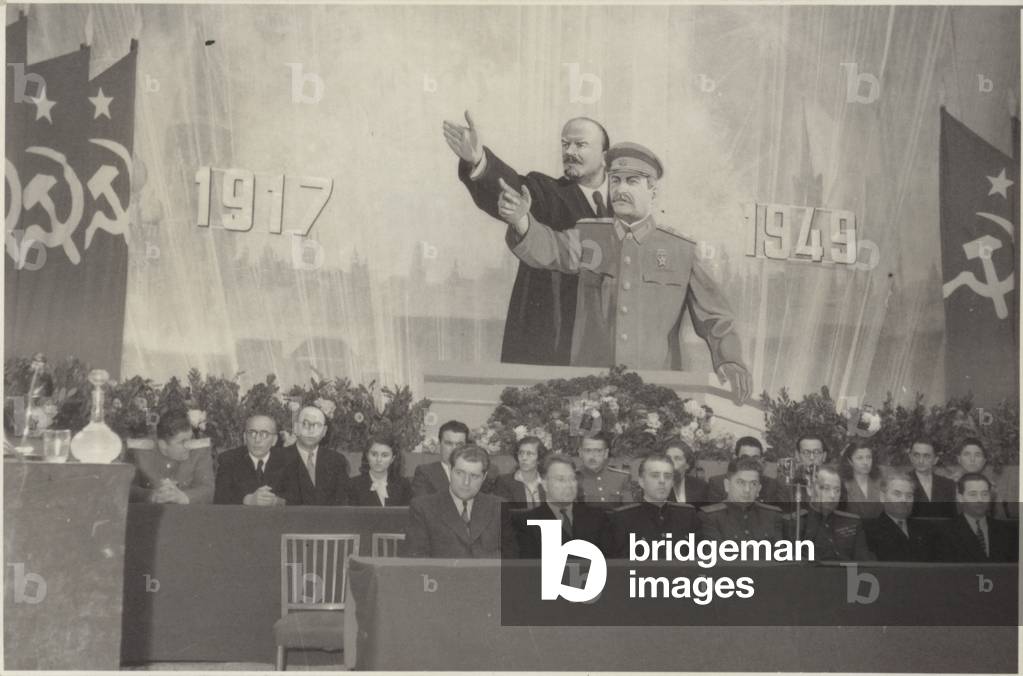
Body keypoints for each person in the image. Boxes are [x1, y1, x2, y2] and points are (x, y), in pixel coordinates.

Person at [496, 142, 751, 403]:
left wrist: (729, 359)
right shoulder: (589, 236)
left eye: (632, 181)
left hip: (655, 395)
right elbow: (550, 248)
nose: (620, 189)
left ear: (653, 191)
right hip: (589, 392)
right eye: (615, 180)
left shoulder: (681, 250)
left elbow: (716, 318)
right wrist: (521, 221)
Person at [444, 112, 611, 365]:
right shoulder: (545, 191)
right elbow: (511, 188)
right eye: (565, 144)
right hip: (551, 330)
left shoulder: (624, 204)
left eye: (580, 144)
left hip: (604, 341)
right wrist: (479, 160)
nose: (570, 151)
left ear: (604, 155)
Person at [404, 444, 517, 558]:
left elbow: (512, 556)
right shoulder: (423, 507)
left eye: (474, 476)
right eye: (460, 473)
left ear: (484, 477)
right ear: (450, 470)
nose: (466, 482)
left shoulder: (499, 507)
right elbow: (416, 559)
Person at [515, 455, 610, 559]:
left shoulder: (597, 517)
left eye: (572, 479)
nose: (569, 485)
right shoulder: (527, 523)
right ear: (544, 484)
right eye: (561, 480)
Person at [607, 453, 699, 558]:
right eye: (655, 475)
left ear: (673, 482)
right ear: (641, 481)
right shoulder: (622, 518)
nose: (662, 481)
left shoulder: (687, 515)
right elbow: (616, 566)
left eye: (668, 476)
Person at [784, 464, 874, 561]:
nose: (832, 495)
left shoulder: (852, 523)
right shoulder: (795, 523)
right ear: (810, 489)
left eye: (837, 490)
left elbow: (865, 564)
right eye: (826, 488)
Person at [127, 409, 214, 504]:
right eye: (182, 442)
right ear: (163, 445)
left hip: (188, 514)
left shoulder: (200, 450)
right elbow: (126, 488)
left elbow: (208, 490)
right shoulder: (139, 451)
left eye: (190, 439)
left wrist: (184, 497)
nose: (189, 445)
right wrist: (151, 496)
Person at [279, 405, 351, 505]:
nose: (311, 430)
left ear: (324, 431)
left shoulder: (337, 460)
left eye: (317, 425)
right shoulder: (277, 459)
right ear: (296, 428)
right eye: (305, 424)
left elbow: (342, 503)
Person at [936, 473, 1017, 562]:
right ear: (960, 498)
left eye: (984, 494)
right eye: (973, 494)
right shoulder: (945, 531)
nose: (980, 499)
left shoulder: (1007, 531)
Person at [699, 456, 784, 542]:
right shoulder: (710, 517)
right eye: (740, 483)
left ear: (759, 489)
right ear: (727, 485)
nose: (747, 490)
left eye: (753, 484)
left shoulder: (771, 516)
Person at [214, 414, 292, 506]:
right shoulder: (228, 460)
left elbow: (298, 497)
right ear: (244, 437)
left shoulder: (288, 460)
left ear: (274, 440)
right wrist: (247, 500)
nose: (257, 440)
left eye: (264, 434)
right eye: (252, 433)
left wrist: (277, 501)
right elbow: (220, 499)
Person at [863, 470, 936, 561]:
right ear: (882, 497)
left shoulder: (927, 529)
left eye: (909, 495)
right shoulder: (868, 531)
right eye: (897, 494)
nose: (903, 499)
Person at [707, 436, 780, 505]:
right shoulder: (718, 483)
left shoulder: (771, 485)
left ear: (761, 460)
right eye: (745, 457)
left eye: (755, 458)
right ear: (735, 458)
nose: (750, 461)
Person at [348, 432, 412, 507]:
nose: (378, 460)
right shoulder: (352, 485)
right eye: (374, 454)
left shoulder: (403, 485)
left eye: (385, 455)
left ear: (392, 459)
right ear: (367, 456)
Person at [410, 420, 469, 498]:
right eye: (449, 443)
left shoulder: (477, 474)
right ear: (439, 445)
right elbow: (422, 506)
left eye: (459, 444)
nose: (454, 449)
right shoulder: (425, 472)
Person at [906, 439, 956, 518]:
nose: (921, 461)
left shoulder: (948, 485)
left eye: (926, 456)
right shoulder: (902, 482)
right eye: (916, 455)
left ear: (935, 460)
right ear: (910, 457)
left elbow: (952, 516)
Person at [576, 432, 631, 503]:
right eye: (588, 450)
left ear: (606, 453)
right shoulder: (572, 478)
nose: (593, 456)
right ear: (580, 453)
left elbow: (629, 508)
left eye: (598, 451)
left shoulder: (622, 478)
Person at [492, 436, 548, 507]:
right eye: (521, 453)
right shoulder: (504, 482)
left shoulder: (547, 482)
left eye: (529, 454)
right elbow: (504, 514)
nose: (524, 458)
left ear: (539, 458)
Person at [838, 441, 882, 519]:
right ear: (850, 461)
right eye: (859, 458)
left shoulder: (880, 482)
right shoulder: (842, 485)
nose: (865, 462)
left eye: (868, 457)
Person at [661, 438, 709, 507]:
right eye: (668, 458)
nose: (671, 462)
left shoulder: (701, 487)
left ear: (687, 464)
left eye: (677, 458)